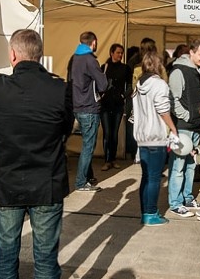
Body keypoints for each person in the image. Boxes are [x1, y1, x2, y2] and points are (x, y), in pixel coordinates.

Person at [0, 29, 75, 279]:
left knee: (6, 254)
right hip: (46, 182)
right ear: (39, 55)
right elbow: (66, 129)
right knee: (45, 256)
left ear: (13, 55)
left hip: (9, 183)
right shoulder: (60, 89)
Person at [132, 51, 179, 227]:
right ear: (159, 65)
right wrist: (173, 128)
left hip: (142, 137)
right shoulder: (159, 85)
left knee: (146, 177)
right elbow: (163, 110)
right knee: (153, 178)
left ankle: (146, 212)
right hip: (156, 137)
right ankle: (151, 213)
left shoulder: (139, 84)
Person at [167, 39, 200, 217]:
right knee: (178, 166)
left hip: (197, 127)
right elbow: (173, 99)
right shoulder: (178, 71)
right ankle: (175, 203)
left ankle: (187, 197)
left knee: (192, 164)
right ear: (191, 53)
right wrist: (187, 116)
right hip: (182, 127)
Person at [69, 31, 109, 192]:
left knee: (86, 143)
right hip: (89, 107)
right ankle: (80, 182)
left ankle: (87, 176)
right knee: (88, 146)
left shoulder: (74, 58)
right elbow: (103, 85)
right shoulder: (90, 60)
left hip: (77, 105)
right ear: (94, 43)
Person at [100, 43, 131, 171]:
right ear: (111, 53)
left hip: (118, 104)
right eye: (118, 52)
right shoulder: (104, 67)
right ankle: (107, 160)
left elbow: (130, 86)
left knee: (114, 133)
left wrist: (123, 96)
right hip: (105, 104)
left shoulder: (126, 68)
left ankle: (112, 159)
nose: (120, 55)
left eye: (121, 53)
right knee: (107, 133)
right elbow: (98, 84)